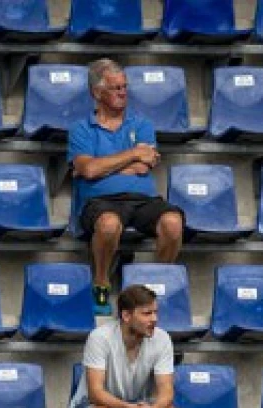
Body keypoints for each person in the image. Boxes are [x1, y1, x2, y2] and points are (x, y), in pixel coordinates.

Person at [68, 58, 185, 316]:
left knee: (173, 223)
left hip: (142, 199)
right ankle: (101, 283)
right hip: (100, 202)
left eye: (124, 87)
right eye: (115, 88)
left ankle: (151, 292)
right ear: (97, 93)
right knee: (108, 224)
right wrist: (132, 154)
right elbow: (88, 170)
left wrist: (102, 166)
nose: (123, 92)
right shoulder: (81, 129)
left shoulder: (141, 124)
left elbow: (143, 166)